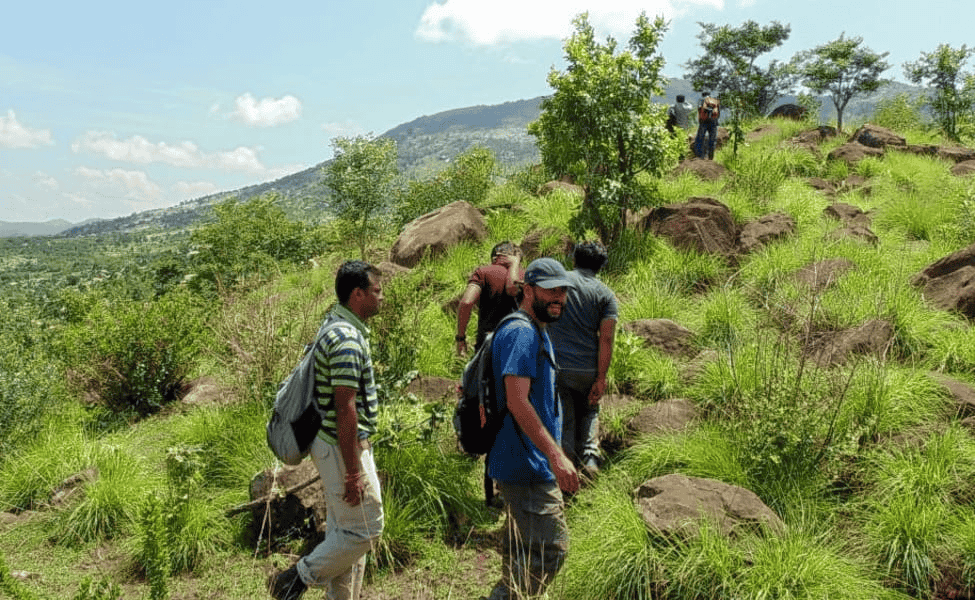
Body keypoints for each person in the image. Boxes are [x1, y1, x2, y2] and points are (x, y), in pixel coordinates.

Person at [268, 260, 385, 600]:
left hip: (336, 442)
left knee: (345, 531)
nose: (382, 298)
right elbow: (344, 409)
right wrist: (353, 473)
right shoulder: (346, 339)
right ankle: (295, 578)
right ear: (357, 294)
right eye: (376, 291)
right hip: (339, 444)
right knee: (366, 528)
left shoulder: (335, 323)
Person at [483, 257, 581, 600]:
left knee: (520, 557)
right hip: (525, 465)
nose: (559, 297)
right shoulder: (522, 333)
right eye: (550, 290)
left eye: (563, 290)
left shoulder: (535, 329)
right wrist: (555, 455)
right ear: (528, 290)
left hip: (525, 461)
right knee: (552, 551)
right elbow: (517, 400)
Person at [547, 241, 618, 479]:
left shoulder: (559, 284)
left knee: (564, 417)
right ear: (600, 267)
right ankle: (590, 458)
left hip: (558, 365)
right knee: (590, 410)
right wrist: (601, 378)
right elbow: (606, 339)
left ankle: (565, 471)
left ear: (574, 259)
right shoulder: (605, 294)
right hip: (588, 366)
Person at [456, 241, 524, 356]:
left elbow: (466, 303)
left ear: (494, 257)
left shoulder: (483, 272)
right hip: (518, 344)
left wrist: (460, 338)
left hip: (488, 346)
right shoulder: (526, 276)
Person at [694, 91, 720, 160]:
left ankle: (700, 156)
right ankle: (711, 157)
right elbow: (718, 112)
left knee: (700, 138)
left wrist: (700, 119)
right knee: (712, 139)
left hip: (704, 121)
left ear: (703, 95)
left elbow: (700, 109)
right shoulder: (715, 101)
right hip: (714, 121)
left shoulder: (702, 100)